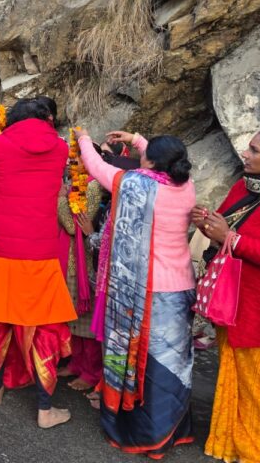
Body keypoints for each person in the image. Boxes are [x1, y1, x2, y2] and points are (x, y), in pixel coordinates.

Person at [0, 97, 76, 428]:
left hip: (0, 252)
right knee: (43, 328)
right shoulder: (60, 149)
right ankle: (45, 409)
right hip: (40, 254)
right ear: (47, 118)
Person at [75, 128, 196, 458]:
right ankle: (174, 431)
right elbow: (159, 159)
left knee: (145, 363)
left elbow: (95, 167)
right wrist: (139, 140)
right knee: (173, 363)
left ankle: (144, 434)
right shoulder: (185, 185)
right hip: (181, 287)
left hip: (144, 293)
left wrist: (83, 138)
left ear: (150, 162)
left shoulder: (133, 185)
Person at [193, 127, 260, 463]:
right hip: (235, 305)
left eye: (254, 150)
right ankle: (231, 446)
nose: (245, 155)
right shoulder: (244, 186)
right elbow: (224, 228)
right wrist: (208, 223)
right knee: (235, 380)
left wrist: (231, 238)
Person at [57, 153, 103, 392]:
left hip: (83, 263)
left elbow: (70, 224)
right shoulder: (78, 184)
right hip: (71, 260)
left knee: (86, 323)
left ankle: (90, 371)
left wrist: (60, 198)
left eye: (76, 158)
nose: (70, 162)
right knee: (74, 321)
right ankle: (76, 363)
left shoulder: (93, 186)